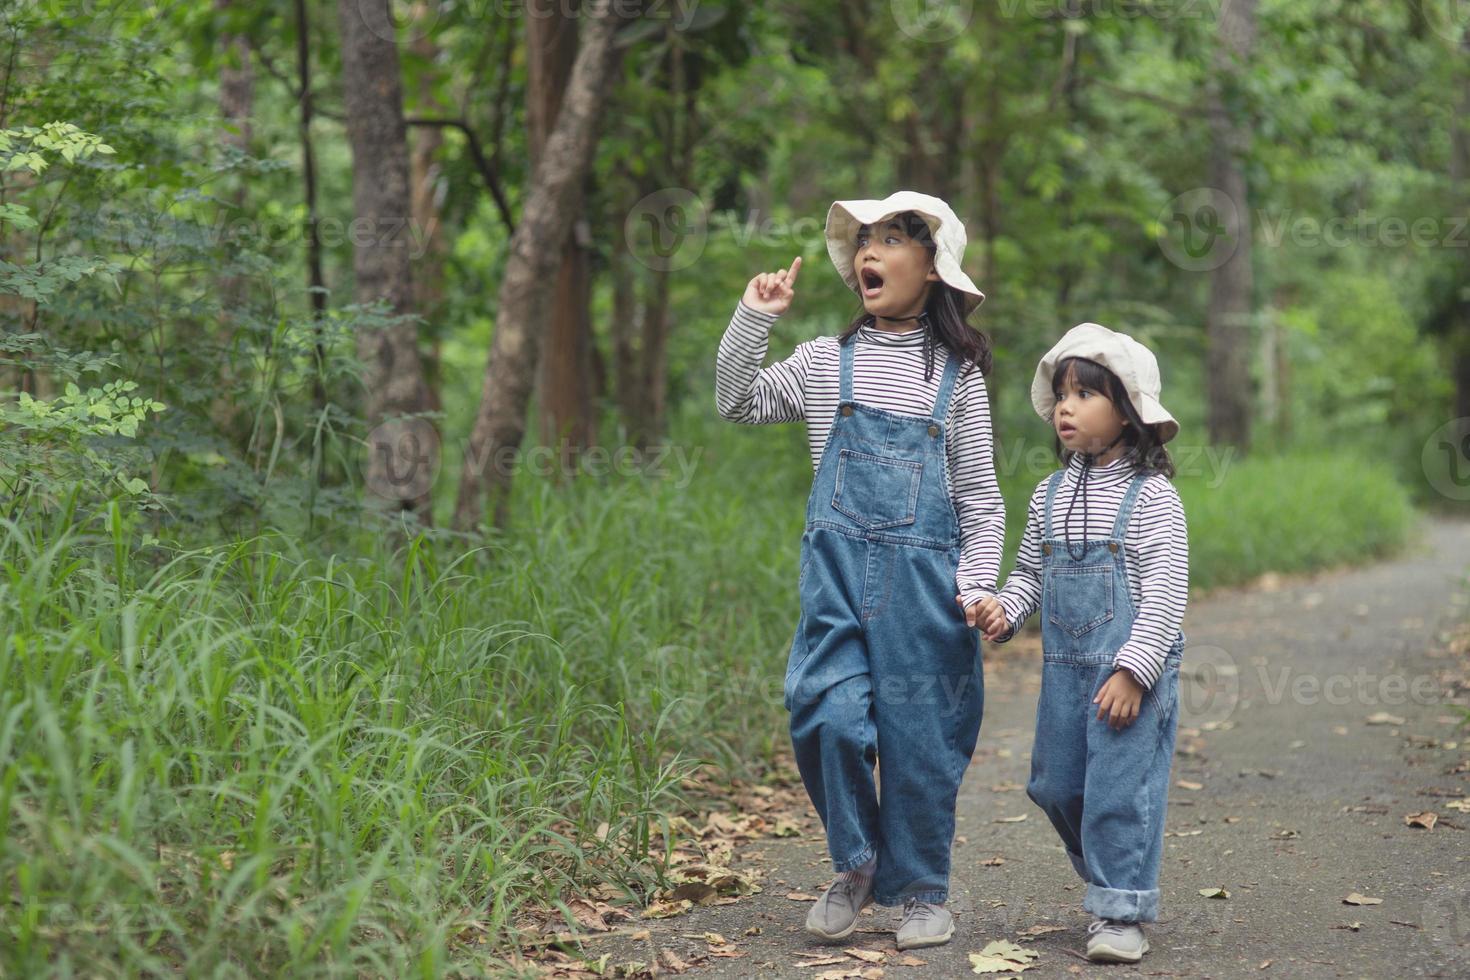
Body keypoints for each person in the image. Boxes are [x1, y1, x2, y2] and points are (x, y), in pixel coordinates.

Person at [715, 191, 1003, 950]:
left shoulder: (958, 376)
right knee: (824, 714)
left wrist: (976, 585)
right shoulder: (821, 362)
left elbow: (979, 495)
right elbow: (737, 402)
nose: (869, 252)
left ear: (933, 268)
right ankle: (858, 862)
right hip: (836, 582)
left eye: (891, 239)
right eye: (863, 241)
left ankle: (923, 893)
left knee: (921, 740)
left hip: (926, 591)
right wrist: (755, 316)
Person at [968, 322, 1189, 964]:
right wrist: (1001, 612)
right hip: (1066, 671)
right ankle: (1109, 876)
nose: (1065, 407)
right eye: (1061, 394)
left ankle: (1121, 909)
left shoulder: (1154, 497)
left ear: (1128, 412)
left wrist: (1135, 670)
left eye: (1085, 395)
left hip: (1128, 673)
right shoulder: (1049, 493)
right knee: (1055, 786)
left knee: (1119, 790)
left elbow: (1166, 594)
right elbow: (1029, 576)